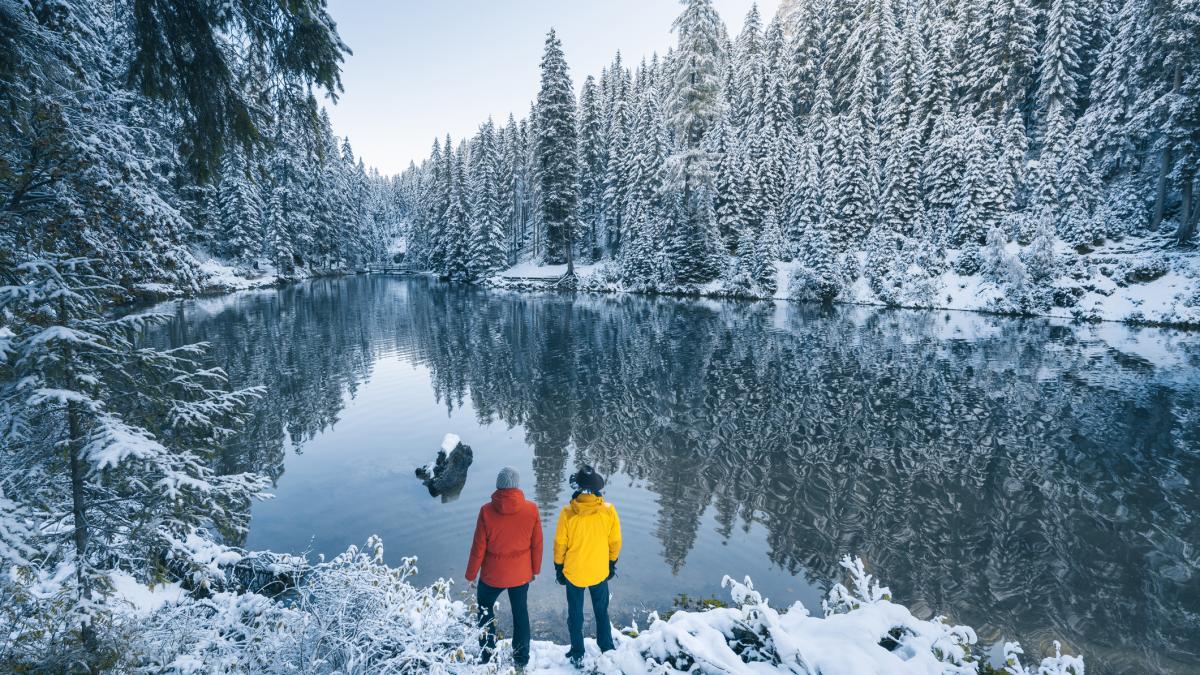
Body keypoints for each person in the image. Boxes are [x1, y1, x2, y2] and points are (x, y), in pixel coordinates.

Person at [465, 467, 542, 668]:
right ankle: (521, 659)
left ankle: (487, 655)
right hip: (520, 574)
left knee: (484, 610)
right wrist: (535, 570)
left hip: (492, 576)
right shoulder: (531, 509)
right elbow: (537, 544)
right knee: (520, 613)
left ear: (498, 485)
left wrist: (471, 575)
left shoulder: (486, 511)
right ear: (516, 485)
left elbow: (478, 547)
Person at [553, 465, 622, 667]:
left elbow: (560, 545)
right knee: (601, 612)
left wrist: (559, 569)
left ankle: (577, 652)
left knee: (575, 614)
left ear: (577, 488)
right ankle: (607, 648)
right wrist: (611, 564)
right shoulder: (609, 511)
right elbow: (615, 542)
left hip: (574, 573)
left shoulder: (567, 512)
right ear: (597, 489)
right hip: (599, 572)